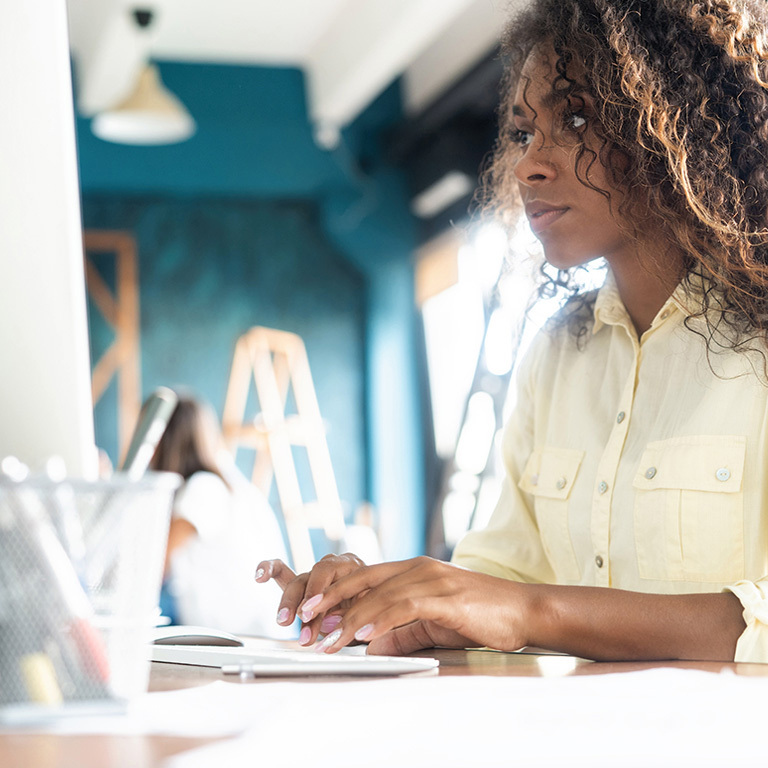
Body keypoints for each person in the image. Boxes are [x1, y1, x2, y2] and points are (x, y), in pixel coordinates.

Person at [257, 0, 768, 662]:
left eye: (576, 118)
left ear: (678, 126)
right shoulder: (559, 356)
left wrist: (530, 612)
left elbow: (523, 608)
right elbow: (502, 589)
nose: (529, 164)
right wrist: (386, 604)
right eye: (524, 132)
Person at [151, 393, 293, 638]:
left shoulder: (203, 488)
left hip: (245, 636)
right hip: (254, 632)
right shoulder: (227, 483)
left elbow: (154, 567)